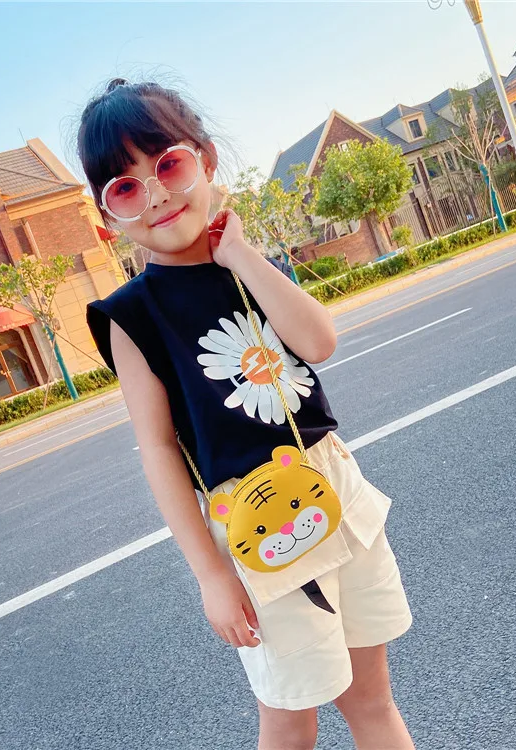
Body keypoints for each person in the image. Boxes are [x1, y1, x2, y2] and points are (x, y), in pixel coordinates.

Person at [81, 78, 414, 750]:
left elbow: (318, 342)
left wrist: (238, 252)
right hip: (252, 526)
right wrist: (211, 574)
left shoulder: (247, 266)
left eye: (168, 165)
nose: (157, 195)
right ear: (107, 215)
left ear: (205, 160)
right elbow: (157, 447)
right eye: (127, 186)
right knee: (291, 721)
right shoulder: (130, 315)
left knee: (372, 700)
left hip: (332, 487)